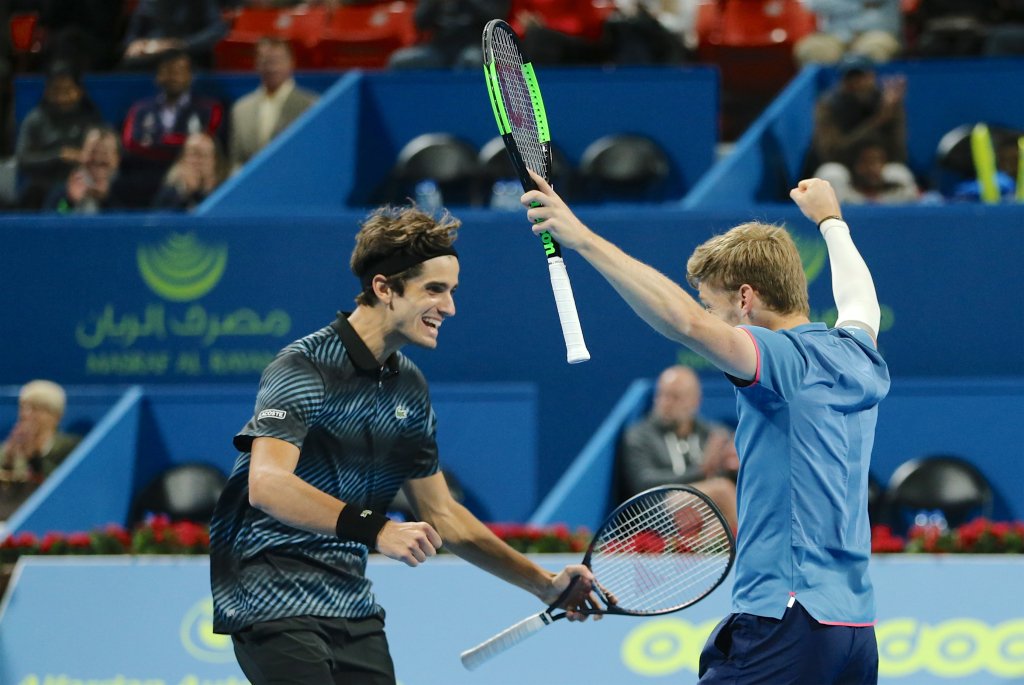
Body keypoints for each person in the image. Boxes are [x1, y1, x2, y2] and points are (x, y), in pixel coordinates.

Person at [519, 171, 889, 683]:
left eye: (716, 308)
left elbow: (685, 323)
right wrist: (831, 222)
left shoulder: (779, 358)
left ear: (745, 299)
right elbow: (859, 299)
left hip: (787, 615)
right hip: (855, 629)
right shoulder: (856, 355)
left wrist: (579, 235)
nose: (714, 322)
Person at [209, 204, 597, 683]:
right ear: (384, 288)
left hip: (349, 600)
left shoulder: (408, 387)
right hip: (268, 592)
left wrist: (544, 586)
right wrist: (377, 529)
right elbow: (266, 484)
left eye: (452, 291)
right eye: (434, 290)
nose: (450, 307)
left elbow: (444, 515)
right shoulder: (304, 366)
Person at [618, 364, 738, 530]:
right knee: (722, 491)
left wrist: (732, 465)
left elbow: (725, 474)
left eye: (675, 397)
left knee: (719, 524)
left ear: (696, 401)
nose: (666, 403)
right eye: (661, 395)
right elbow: (643, 482)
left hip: (703, 513)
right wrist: (701, 470)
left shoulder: (712, 434)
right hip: (657, 511)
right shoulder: (639, 435)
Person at [121, 49, 225, 205]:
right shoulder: (140, 109)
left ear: (190, 76)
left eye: (179, 71)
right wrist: (182, 143)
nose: (173, 77)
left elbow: (207, 144)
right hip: (145, 178)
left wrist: (157, 142)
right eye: (168, 71)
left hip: (195, 177)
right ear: (157, 76)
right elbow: (131, 144)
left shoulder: (209, 109)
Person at [14, 61, 106, 210]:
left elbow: (105, 154)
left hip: (80, 184)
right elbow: (23, 159)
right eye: (56, 90)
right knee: (43, 201)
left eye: (68, 90)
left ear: (79, 91)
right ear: (47, 92)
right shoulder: (35, 119)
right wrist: (58, 156)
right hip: (44, 186)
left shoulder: (91, 119)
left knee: (79, 202)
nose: (62, 97)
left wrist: (83, 157)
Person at [805, 54, 907, 178]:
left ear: (872, 76)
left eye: (860, 76)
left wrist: (893, 114)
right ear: (842, 81)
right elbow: (831, 153)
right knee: (832, 173)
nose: (855, 83)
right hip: (845, 169)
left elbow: (898, 152)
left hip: (878, 168)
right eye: (849, 77)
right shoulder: (829, 106)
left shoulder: (887, 103)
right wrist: (877, 121)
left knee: (898, 173)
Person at [228, 37, 319, 173]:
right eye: (265, 61)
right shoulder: (241, 109)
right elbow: (236, 162)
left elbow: (314, 157)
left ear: (291, 62)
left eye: (277, 61)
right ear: (256, 64)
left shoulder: (312, 106)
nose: (271, 67)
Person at [0, 380, 82, 522]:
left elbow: (67, 486)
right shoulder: (8, 448)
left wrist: (34, 458)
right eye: (24, 407)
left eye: (36, 409)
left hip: (54, 519)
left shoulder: (70, 447)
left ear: (56, 415)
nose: (27, 415)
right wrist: (8, 460)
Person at [387, 0, 510, 70]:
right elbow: (419, 22)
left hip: (476, 44)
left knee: (472, 60)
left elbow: (496, 19)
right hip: (439, 47)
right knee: (399, 61)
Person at [44, 125, 138, 213]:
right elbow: (53, 222)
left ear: (117, 158)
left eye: (105, 153)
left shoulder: (129, 188)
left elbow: (131, 224)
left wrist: (105, 199)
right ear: (81, 154)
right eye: (93, 152)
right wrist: (70, 201)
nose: (98, 158)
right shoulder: (64, 190)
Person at [120, 0, 229, 71]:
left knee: (179, 67)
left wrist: (180, 44)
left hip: (187, 54)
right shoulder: (148, 2)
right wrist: (134, 44)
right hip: (152, 55)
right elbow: (132, 35)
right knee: (128, 65)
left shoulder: (202, 3)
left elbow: (218, 29)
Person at [815, 134, 920, 205]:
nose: (874, 168)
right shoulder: (841, 194)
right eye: (866, 162)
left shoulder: (898, 193)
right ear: (854, 165)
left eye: (879, 161)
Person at [795, 0, 903, 66]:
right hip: (835, 36)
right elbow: (816, 3)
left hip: (876, 33)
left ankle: (873, 100)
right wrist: (861, 5)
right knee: (811, 49)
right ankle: (828, 99)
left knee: (873, 49)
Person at [152, 131, 228, 210]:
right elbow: (161, 219)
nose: (197, 162)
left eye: (203, 155)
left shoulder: (224, 191)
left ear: (215, 161)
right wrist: (187, 193)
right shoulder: (169, 192)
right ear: (182, 159)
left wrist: (205, 192)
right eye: (193, 154)